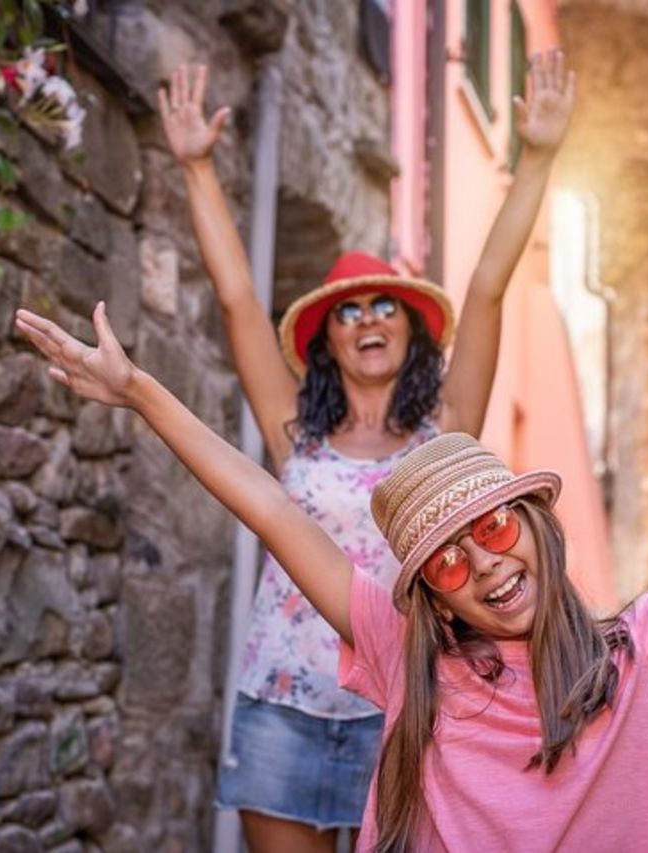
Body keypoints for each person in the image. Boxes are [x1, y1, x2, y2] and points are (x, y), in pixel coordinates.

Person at [18, 183, 648, 850]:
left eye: (489, 527)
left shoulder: (638, 652)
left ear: (533, 524)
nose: (479, 563)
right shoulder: (405, 659)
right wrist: (141, 392)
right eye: (442, 561)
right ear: (427, 601)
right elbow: (273, 510)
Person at [150, 52, 576, 849]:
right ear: (326, 341)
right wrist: (198, 167)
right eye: (348, 313)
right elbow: (239, 296)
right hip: (284, 703)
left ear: (411, 328)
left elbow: (486, 285)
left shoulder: (443, 431)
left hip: (411, 705)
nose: (368, 319)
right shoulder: (295, 431)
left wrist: (540, 155)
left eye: (386, 305)